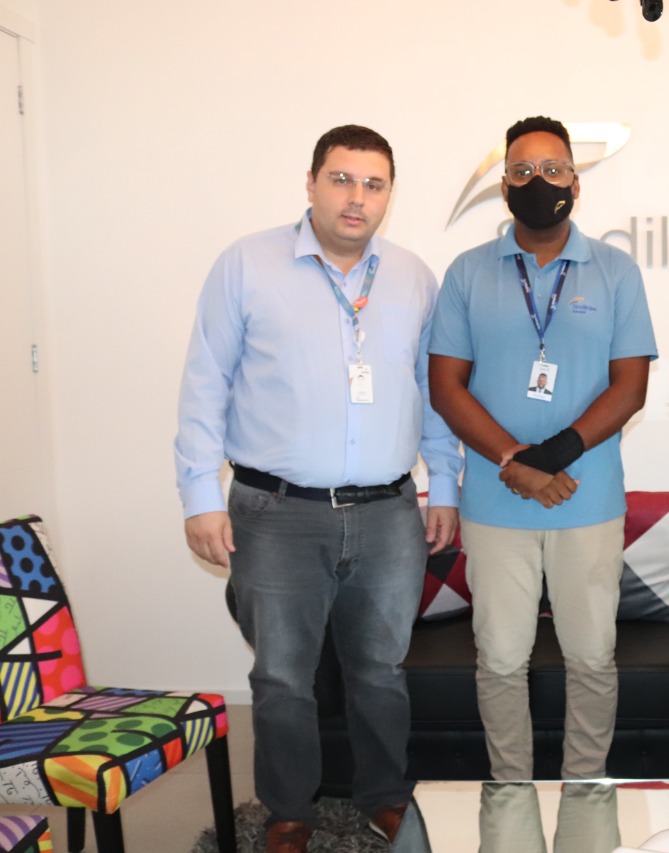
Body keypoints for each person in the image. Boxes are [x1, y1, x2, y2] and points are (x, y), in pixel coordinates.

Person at [175, 125, 462, 852]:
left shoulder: (412, 277)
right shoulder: (247, 264)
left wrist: (446, 486)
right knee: (281, 678)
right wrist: (199, 495)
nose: (356, 197)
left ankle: (384, 797)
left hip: (389, 512)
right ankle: (289, 813)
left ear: (389, 194)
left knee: (381, 671)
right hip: (275, 513)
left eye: (373, 183)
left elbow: (433, 393)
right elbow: (205, 383)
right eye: (341, 179)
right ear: (310, 183)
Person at [428, 116, 657, 783]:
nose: (539, 182)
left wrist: (547, 459)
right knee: (501, 661)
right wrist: (514, 462)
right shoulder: (467, 273)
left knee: (591, 658)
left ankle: (584, 787)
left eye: (553, 170)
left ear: (576, 184)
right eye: (523, 171)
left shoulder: (616, 271)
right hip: (496, 503)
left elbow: (631, 387)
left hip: (586, 498)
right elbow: (445, 387)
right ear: (504, 187)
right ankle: (512, 789)